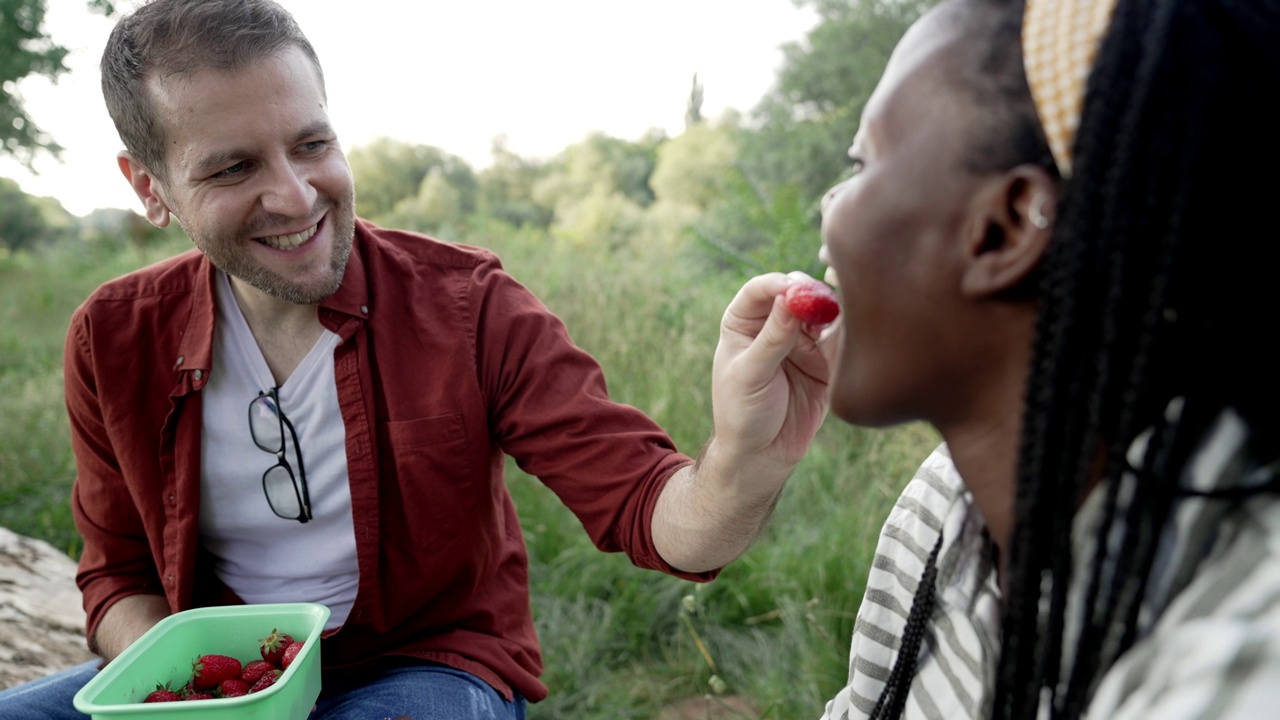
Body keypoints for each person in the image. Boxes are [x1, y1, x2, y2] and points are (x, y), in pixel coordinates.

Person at [0, 1, 834, 718]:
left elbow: (660, 520)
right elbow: (116, 578)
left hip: (428, 669)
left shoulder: (470, 308)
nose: (295, 195)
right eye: (233, 167)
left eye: (312, 143)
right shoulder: (110, 338)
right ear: (149, 188)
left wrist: (744, 458)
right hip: (223, 687)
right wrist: (188, 691)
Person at [719, 0, 1279, 718]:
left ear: (1004, 229)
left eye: (862, 165)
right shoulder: (946, 505)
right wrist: (744, 460)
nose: (828, 216)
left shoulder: (1245, 661)